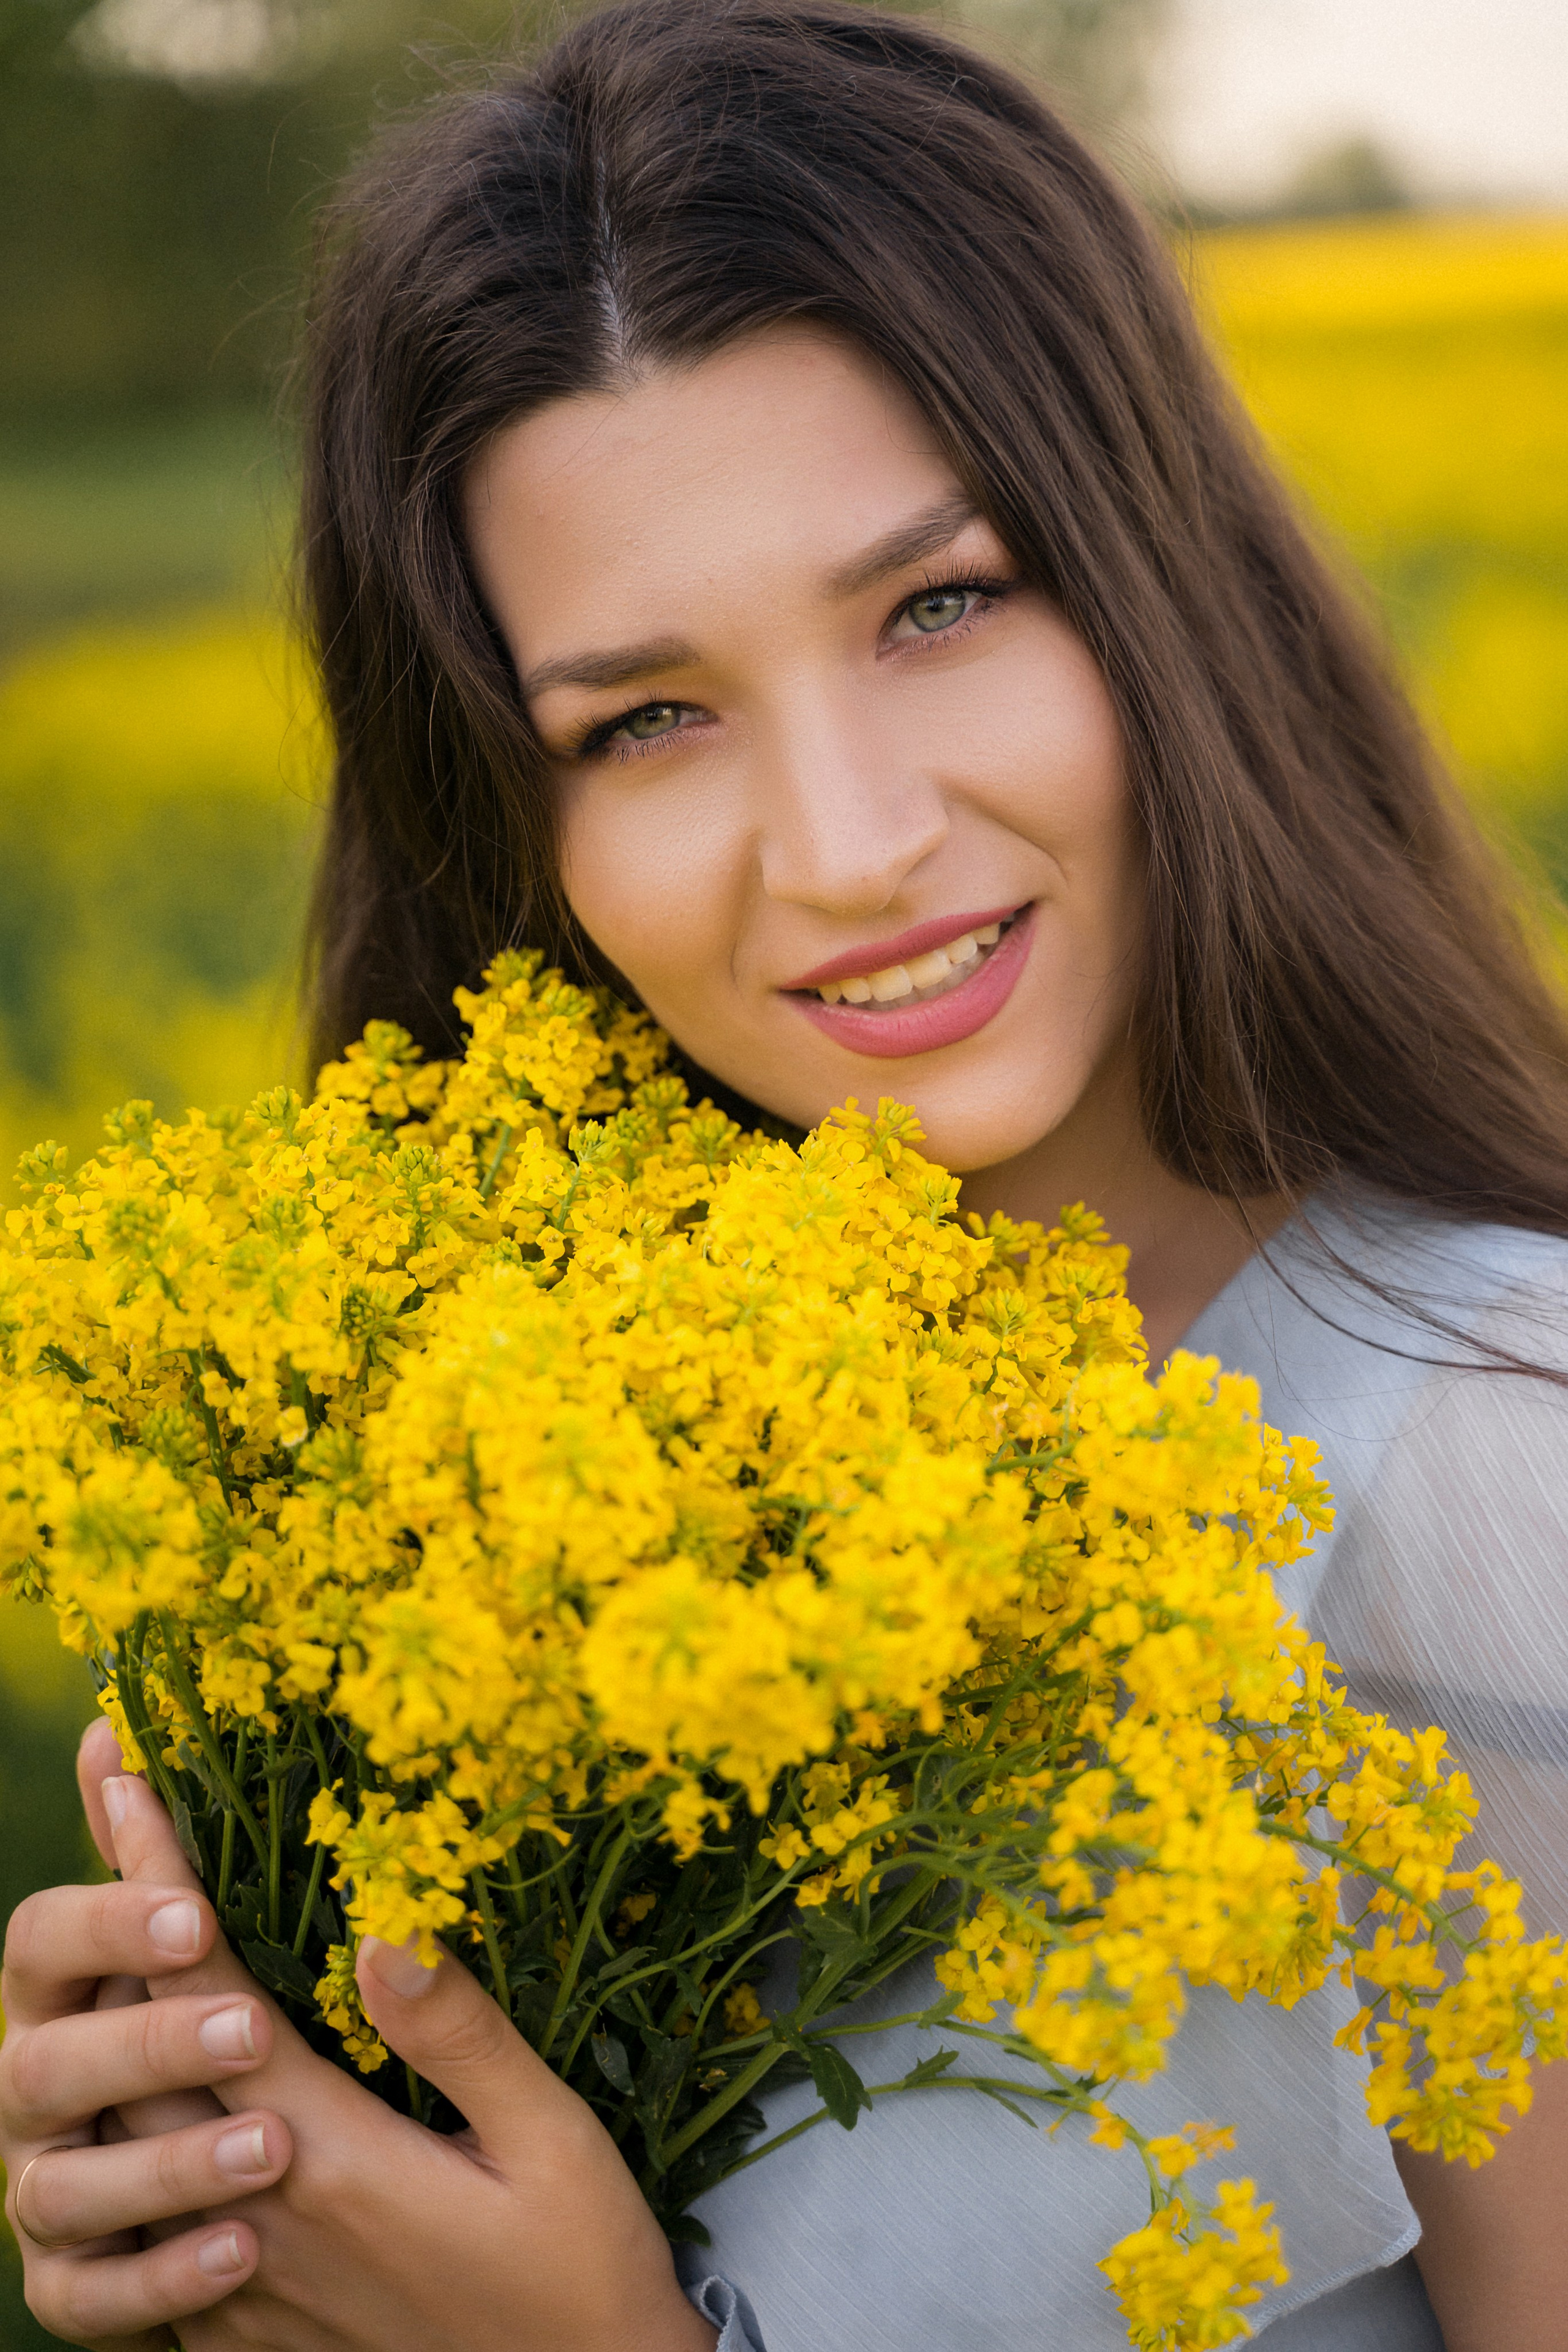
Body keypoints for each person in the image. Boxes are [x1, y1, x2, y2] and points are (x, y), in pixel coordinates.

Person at [4, 2, 1568, 2346]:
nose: (851, 850)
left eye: (941, 605)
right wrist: (238, 2191)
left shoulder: (1476, 1473)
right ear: (507, 826)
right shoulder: (539, 1511)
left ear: (1164, 590)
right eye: (648, 719)